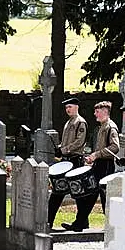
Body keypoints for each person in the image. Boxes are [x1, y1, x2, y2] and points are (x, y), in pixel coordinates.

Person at [62, 101, 119, 232]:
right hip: (99, 164)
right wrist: (93, 157)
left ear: (105, 112)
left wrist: (97, 154)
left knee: (104, 196)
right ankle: (80, 223)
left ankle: (110, 226)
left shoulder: (111, 127)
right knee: (90, 195)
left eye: (97, 111)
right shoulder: (102, 127)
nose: (95, 114)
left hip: (106, 166)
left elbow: (115, 147)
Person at [48, 97, 88, 230]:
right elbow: (67, 141)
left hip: (75, 160)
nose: (68, 109)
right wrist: (60, 148)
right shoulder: (69, 122)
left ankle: (82, 222)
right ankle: (48, 222)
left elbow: (79, 142)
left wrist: (63, 150)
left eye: (70, 107)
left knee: (78, 194)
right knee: (57, 192)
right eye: (66, 108)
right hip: (67, 160)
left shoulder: (80, 122)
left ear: (76, 107)